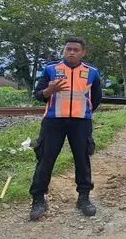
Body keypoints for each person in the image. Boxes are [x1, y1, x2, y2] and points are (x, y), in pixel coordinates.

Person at [29, 37, 102, 221]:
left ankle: (83, 198)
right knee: (45, 159)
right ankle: (38, 199)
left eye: (76, 50)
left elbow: (97, 98)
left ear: (83, 52)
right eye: (68, 49)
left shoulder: (92, 72)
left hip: (80, 123)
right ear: (63, 50)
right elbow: (38, 95)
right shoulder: (51, 69)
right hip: (54, 122)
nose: (71, 52)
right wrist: (49, 91)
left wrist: (83, 112)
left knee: (82, 159)